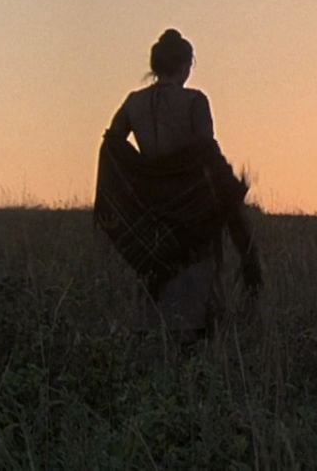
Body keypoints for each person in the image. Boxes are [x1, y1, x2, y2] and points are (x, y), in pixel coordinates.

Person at [94, 29, 261, 345]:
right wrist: (230, 193)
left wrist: (140, 176)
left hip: (151, 213)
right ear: (186, 64)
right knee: (197, 301)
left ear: (155, 65)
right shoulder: (195, 101)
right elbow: (207, 153)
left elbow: (112, 143)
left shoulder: (133, 103)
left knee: (155, 286)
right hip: (194, 210)